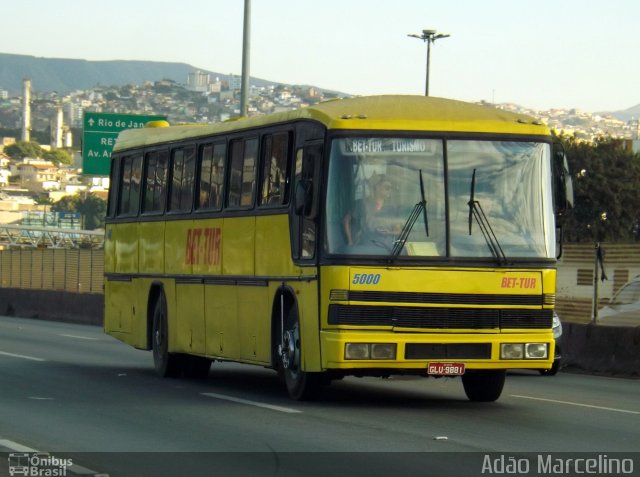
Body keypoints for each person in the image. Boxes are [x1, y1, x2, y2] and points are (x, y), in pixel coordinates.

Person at [343, 174, 398, 246]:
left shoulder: (391, 208)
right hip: (364, 246)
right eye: (387, 188)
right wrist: (350, 242)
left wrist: (389, 232)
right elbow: (346, 221)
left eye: (391, 188)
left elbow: (398, 230)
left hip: (385, 249)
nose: (390, 190)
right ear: (377, 187)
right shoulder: (361, 203)